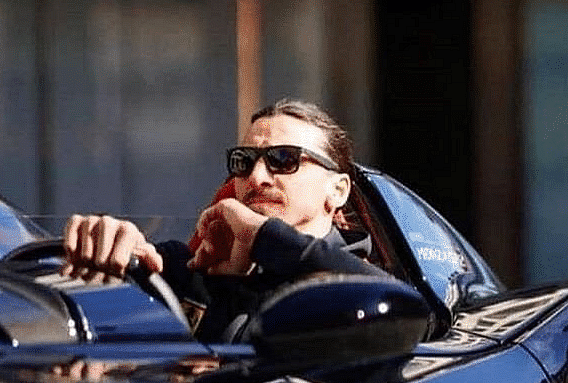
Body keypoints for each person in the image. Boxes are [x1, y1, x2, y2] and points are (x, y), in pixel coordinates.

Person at [64, 97, 380, 341]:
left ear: (337, 190)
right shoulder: (196, 270)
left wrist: (260, 234)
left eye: (283, 159)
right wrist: (112, 243)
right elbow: (144, 266)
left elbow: (404, 306)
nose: (257, 178)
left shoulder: (361, 279)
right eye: (244, 162)